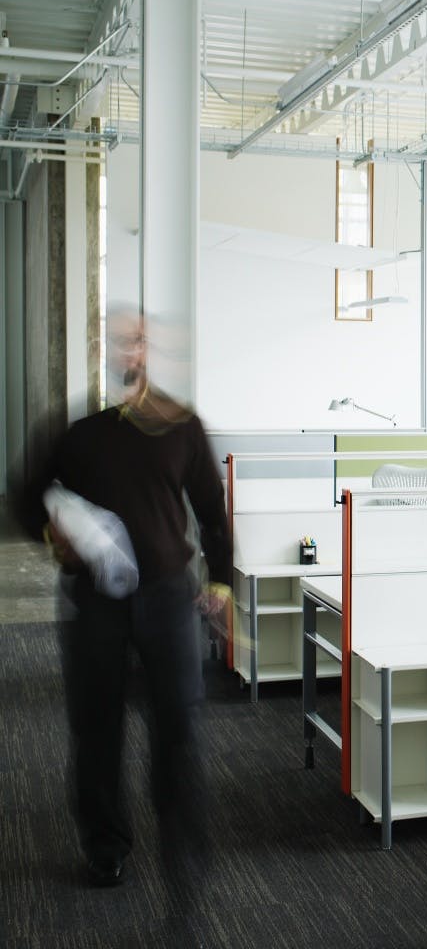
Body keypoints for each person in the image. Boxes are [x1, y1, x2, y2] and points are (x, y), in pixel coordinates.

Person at [17, 310, 232, 892]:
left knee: (178, 726)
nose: (125, 350)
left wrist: (220, 583)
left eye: (134, 339)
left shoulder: (182, 425)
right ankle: (105, 844)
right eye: (114, 340)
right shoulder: (79, 431)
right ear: (101, 348)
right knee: (96, 725)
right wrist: (51, 534)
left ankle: (181, 844)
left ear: (146, 348)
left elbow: (213, 513)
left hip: (166, 596)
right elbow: (24, 493)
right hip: (95, 602)